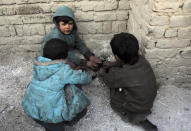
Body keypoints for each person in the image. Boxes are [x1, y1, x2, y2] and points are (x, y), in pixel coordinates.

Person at [22, 38, 92, 131]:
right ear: (64, 57)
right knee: (75, 86)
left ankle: (48, 123)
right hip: (52, 119)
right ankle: (65, 121)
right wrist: (86, 74)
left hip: (31, 110)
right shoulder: (64, 70)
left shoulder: (39, 65)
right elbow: (84, 79)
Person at [101, 33, 158, 131]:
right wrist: (113, 64)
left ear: (116, 57)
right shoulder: (142, 60)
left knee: (114, 93)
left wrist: (103, 73)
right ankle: (140, 115)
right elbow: (124, 63)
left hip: (135, 107)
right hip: (147, 103)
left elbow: (109, 81)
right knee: (120, 76)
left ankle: (131, 116)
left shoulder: (121, 74)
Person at [41, 5, 101, 70]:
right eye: (64, 24)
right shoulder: (56, 36)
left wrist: (90, 56)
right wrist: (83, 62)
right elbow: (66, 54)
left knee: (81, 58)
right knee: (70, 67)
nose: (68, 27)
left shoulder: (72, 32)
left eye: (70, 23)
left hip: (65, 51)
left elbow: (79, 44)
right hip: (54, 56)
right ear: (58, 24)